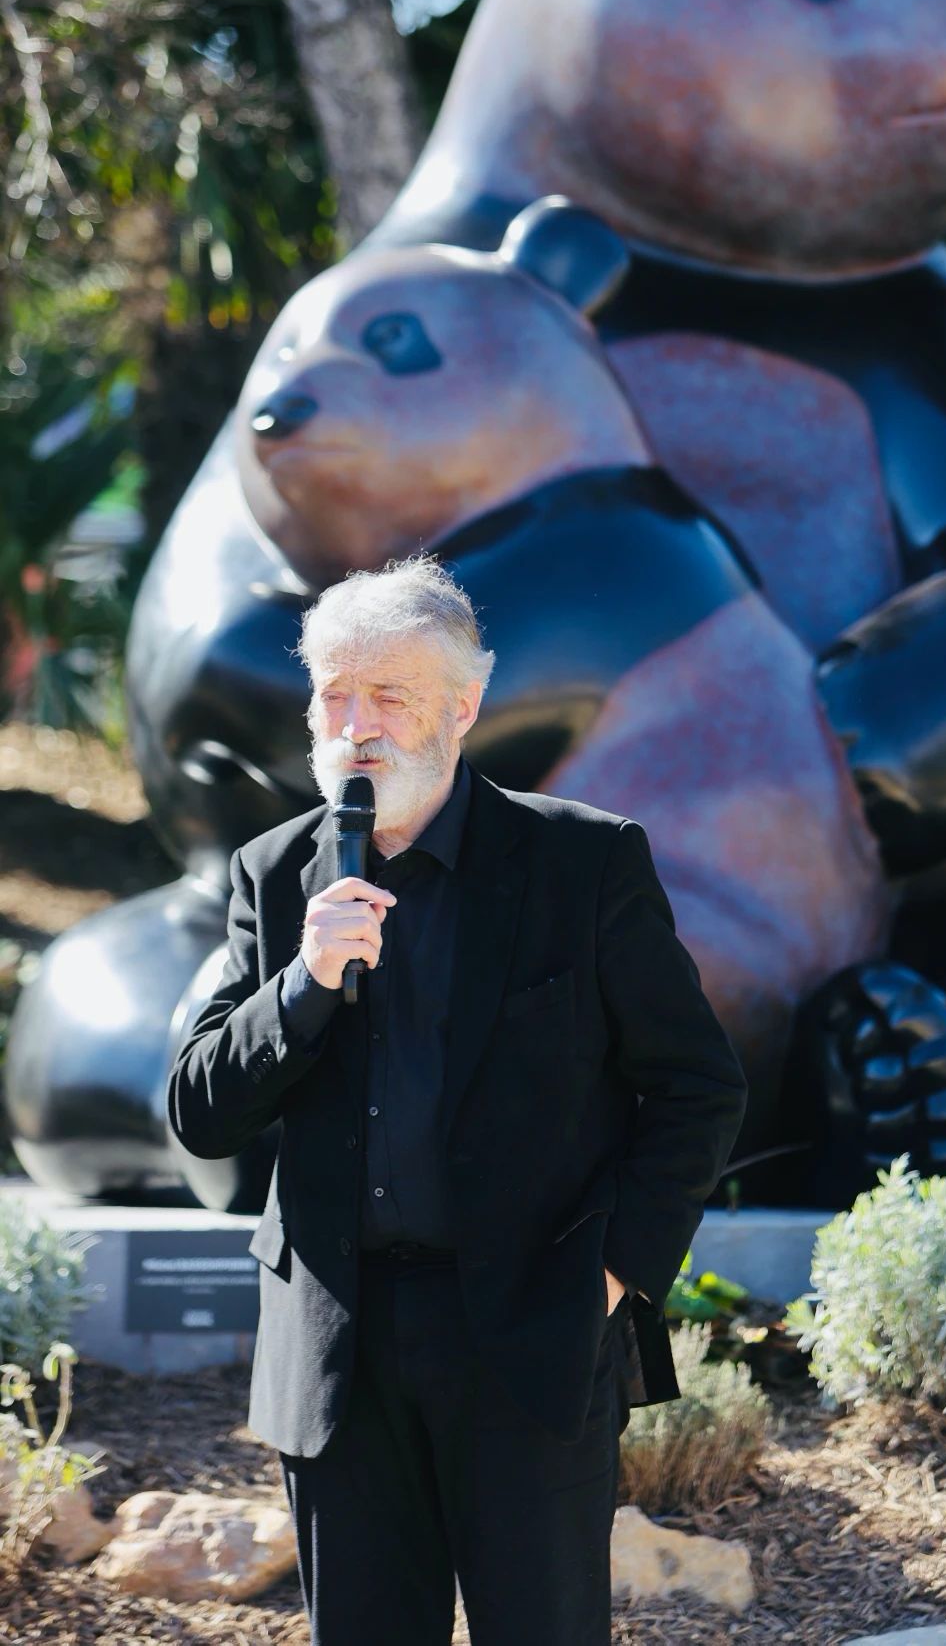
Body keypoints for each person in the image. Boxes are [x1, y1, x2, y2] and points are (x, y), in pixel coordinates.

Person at [165, 553, 749, 1646]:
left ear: (464, 706)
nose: (356, 726)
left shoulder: (582, 861)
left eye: (389, 695)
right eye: (335, 694)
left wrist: (613, 1274)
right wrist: (301, 987)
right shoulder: (274, 873)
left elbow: (695, 1086)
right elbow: (202, 1112)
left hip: (530, 1330)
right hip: (338, 1348)